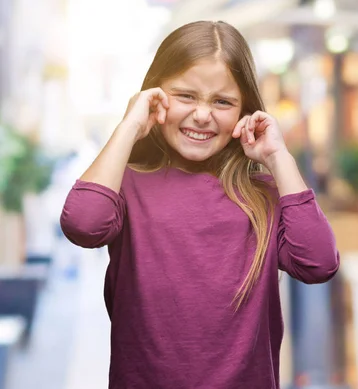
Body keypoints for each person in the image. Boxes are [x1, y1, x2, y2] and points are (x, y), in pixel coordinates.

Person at [60, 21, 339, 389]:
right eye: (186, 96)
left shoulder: (263, 195)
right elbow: (83, 224)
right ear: (155, 97)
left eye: (222, 102)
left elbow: (318, 263)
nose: (203, 115)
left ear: (244, 111)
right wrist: (129, 125)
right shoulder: (126, 184)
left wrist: (279, 157)